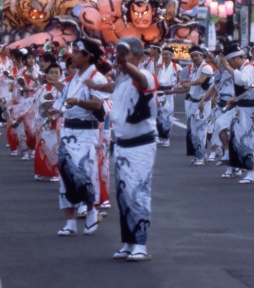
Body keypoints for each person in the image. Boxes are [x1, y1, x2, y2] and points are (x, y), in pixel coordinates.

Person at [51, 39, 108, 236]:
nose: (72, 55)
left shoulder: (97, 79)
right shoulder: (74, 77)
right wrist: (52, 109)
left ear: (87, 56)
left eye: (76, 52)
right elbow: (61, 102)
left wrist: (78, 102)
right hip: (68, 130)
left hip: (86, 131)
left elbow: (98, 106)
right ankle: (70, 221)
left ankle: (91, 210)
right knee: (65, 173)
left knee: (84, 173)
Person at [109, 36, 159, 262]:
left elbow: (140, 79)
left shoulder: (145, 75)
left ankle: (140, 243)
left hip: (140, 145)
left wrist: (125, 66)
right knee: (123, 194)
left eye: (125, 53)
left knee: (138, 192)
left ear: (138, 56)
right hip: (121, 144)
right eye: (119, 53)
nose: (120, 58)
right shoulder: (121, 80)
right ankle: (128, 242)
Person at [221, 43, 254, 183]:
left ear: (237, 58)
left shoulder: (249, 68)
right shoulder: (244, 68)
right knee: (236, 136)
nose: (230, 64)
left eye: (231, 61)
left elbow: (244, 81)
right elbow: (245, 90)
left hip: (249, 109)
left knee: (246, 138)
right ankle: (235, 165)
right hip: (241, 106)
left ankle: (250, 171)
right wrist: (235, 99)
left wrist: (228, 68)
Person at [180, 46, 213, 165]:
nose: (194, 58)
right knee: (193, 130)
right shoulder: (195, 69)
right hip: (193, 102)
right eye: (192, 56)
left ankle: (201, 157)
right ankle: (200, 154)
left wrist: (189, 83)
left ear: (202, 56)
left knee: (201, 130)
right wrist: (186, 82)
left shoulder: (206, 67)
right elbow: (194, 81)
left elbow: (200, 81)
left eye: (196, 56)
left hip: (202, 102)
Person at [155, 47, 180, 147]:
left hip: (169, 91)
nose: (165, 56)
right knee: (158, 114)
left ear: (171, 55)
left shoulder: (176, 66)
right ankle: (159, 135)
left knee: (168, 114)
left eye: (167, 54)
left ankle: (166, 138)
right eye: (163, 54)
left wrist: (175, 88)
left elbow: (179, 80)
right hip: (159, 91)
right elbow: (155, 79)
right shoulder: (159, 66)